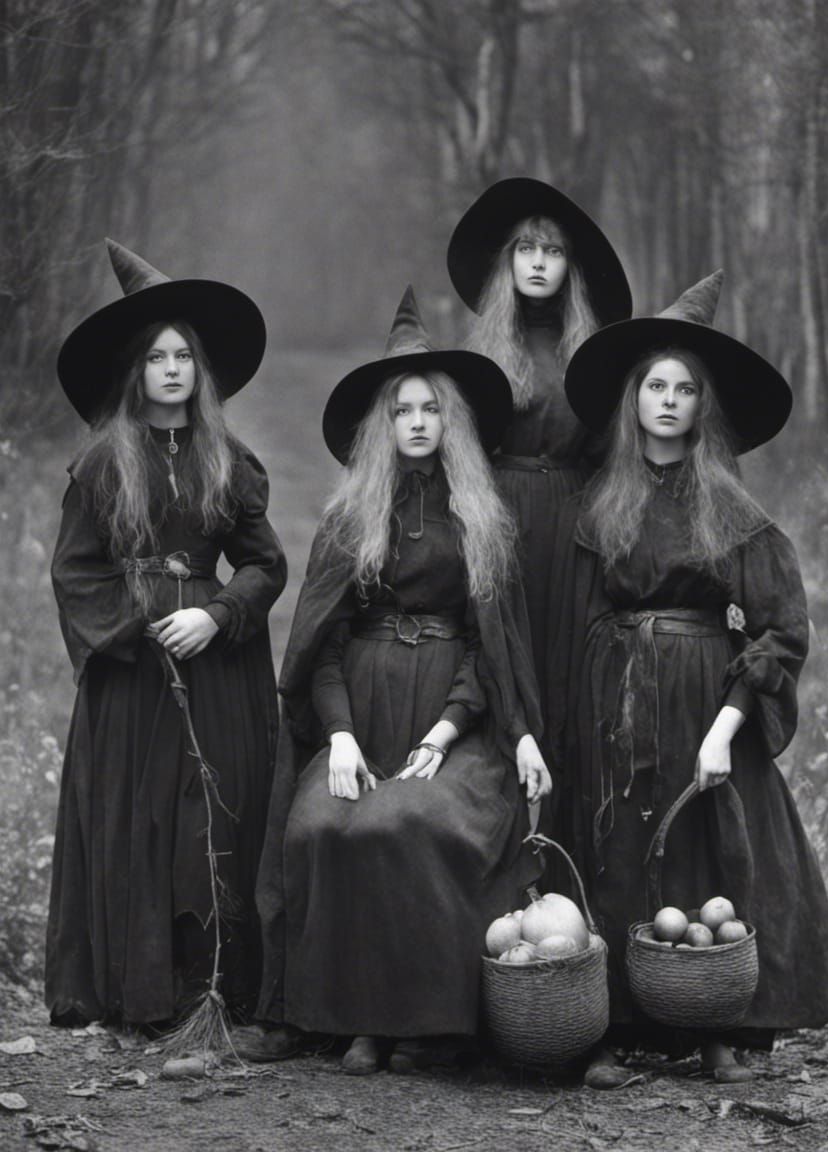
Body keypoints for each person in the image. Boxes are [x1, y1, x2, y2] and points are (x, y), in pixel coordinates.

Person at [249, 288, 551, 1074]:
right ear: (382, 426)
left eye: (431, 409)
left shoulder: (482, 519)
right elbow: (321, 642)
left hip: (454, 723)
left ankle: (422, 1021)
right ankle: (355, 1021)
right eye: (402, 410)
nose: (417, 421)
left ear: (451, 422)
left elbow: (496, 647)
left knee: (418, 823)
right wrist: (341, 736)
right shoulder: (353, 517)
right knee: (324, 826)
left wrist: (451, 728)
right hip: (362, 713)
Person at [546, 271, 828, 1086]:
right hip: (615, 698)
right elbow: (579, 612)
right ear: (634, 399)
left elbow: (782, 627)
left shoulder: (731, 507)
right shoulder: (602, 501)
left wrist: (725, 728)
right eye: (655, 387)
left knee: (705, 856)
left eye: (685, 390)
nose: (668, 402)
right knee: (615, 848)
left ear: (704, 408)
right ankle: (608, 1025)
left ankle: (714, 1029)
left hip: (705, 700)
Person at [47, 240, 287, 1028]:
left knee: (209, 821)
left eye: (185, 355)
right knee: (139, 818)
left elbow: (264, 565)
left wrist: (216, 614)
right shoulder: (102, 465)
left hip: (218, 667)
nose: (174, 369)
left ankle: (213, 985)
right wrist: (145, 621)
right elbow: (76, 574)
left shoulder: (229, 459)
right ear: (136, 371)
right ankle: (134, 989)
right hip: (134, 677)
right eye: (158, 358)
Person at [446, 176, 632, 690]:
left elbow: (609, 455)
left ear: (570, 267)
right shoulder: (484, 352)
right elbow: (463, 455)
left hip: (575, 522)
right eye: (525, 248)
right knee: (502, 651)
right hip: (499, 515)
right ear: (509, 261)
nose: (537, 262)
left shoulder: (589, 354)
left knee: (568, 656)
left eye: (552, 251)